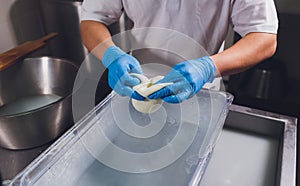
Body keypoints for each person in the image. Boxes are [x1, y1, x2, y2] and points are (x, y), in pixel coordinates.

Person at [80, 0, 278, 103]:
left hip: (200, 88)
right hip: (138, 84)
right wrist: (111, 56)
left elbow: (264, 37)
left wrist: (208, 67)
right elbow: (92, 20)